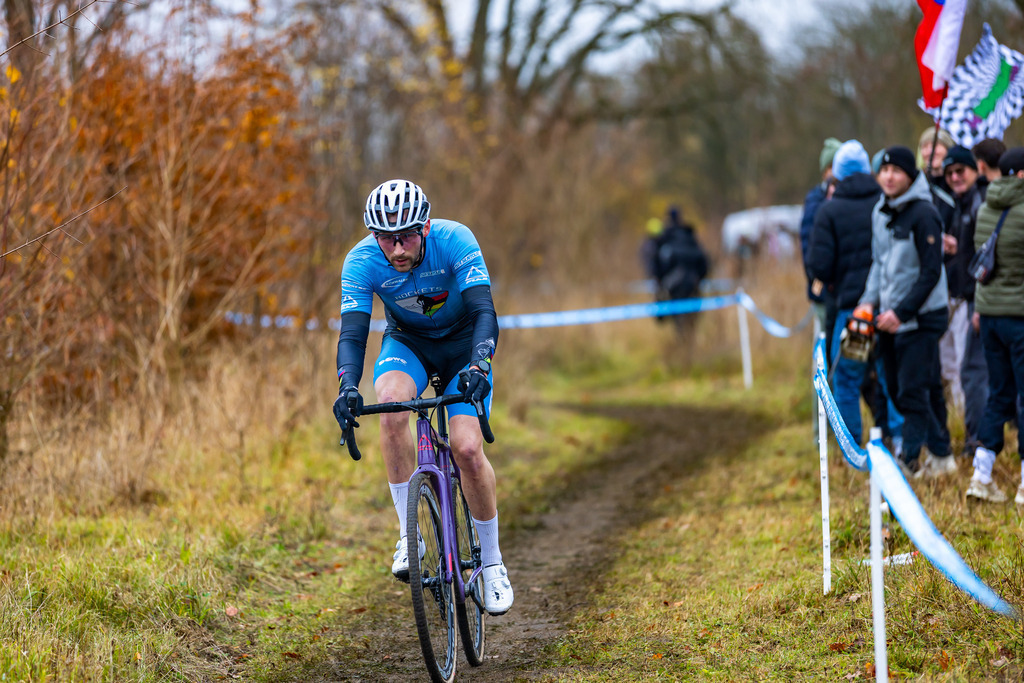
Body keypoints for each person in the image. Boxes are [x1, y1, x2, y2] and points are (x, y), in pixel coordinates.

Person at [332, 179, 514, 615]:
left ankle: (491, 563)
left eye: (407, 236)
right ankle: (407, 535)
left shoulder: (455, 240)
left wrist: (480, 366)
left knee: (468, 447)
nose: (397, 249)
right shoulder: (360, 261)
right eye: (386, 239)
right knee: (391, 406)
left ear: (426, 226)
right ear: (373, 235)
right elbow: (354, 334)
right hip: (409, 344)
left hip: (463, 347)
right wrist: (347, 386)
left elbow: (484, 311)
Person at [855, 146, 953, 478]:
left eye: (897, 170)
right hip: (889, 319)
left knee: (913, 390)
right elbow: (879, 265)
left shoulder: (924, 213)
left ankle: (908, 462)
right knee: (904, 389)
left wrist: (901, 312)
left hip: (923, 317)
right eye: (884, 170)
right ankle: (942, 455)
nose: (889, 176)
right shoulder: (880, 212)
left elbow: (931, 272)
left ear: (910, 175)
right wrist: (868, 301)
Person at [807, 140, 902, 446]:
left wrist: (834, 281)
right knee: (889, 377)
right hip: (888, 310)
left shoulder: (829, 211)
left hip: (853, 314)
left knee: (847, 380)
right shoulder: (887, 203)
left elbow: (818, 265)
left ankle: (852, 449)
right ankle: (899, 443)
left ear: (836, 173)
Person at [965, 147, 1024, 503]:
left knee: (999, 393)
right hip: (1019, 317)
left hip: (989, 318)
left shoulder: (986, 207)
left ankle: (981, 474)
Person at [939, 146, 986, 455]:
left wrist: (979, 305)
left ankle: (979, 441)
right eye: (950, 173)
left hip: (975, 303)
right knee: (958, 371)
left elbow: (986, 260)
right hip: (956, 298)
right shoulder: (955, 204)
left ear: (974, 170)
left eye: (961, 171)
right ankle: (972, 436)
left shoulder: (980, 203)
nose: (956, 177)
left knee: (974, 374)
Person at [801, 137, 841, 356]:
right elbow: (809, 244)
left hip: (841, 288)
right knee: (825, 343)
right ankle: (821, 390)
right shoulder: (816, 199)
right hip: (823, 286)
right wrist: (816, 276)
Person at [650, 206, 709, 340]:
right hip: (693, 282)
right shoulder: (690, 237)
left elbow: (657, 263)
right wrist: (700, 279)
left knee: (679, 319)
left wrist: (659, 282)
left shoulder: (666, 238)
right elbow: (704, 261)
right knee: (691, 319)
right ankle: (688, 344)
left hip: (675, 283)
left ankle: (683, 343)